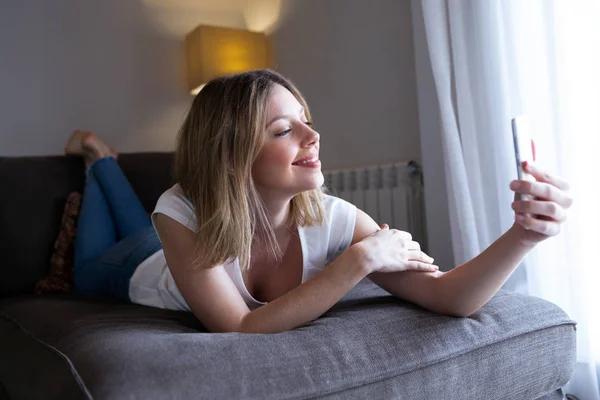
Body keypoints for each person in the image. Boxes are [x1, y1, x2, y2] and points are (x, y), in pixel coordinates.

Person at [70, 69, 573, 334]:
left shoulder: (335, 218)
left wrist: (523, 235)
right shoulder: (178, 210)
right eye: (285, 129)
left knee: (138, 220)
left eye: (305, 119)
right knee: (89, 266)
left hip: (166, 246)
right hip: (135, 267)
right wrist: (358, 261)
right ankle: (97, 162)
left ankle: (101, 158)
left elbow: (448, 296)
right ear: (229, 156)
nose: (313, 135)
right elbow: (242, 328)